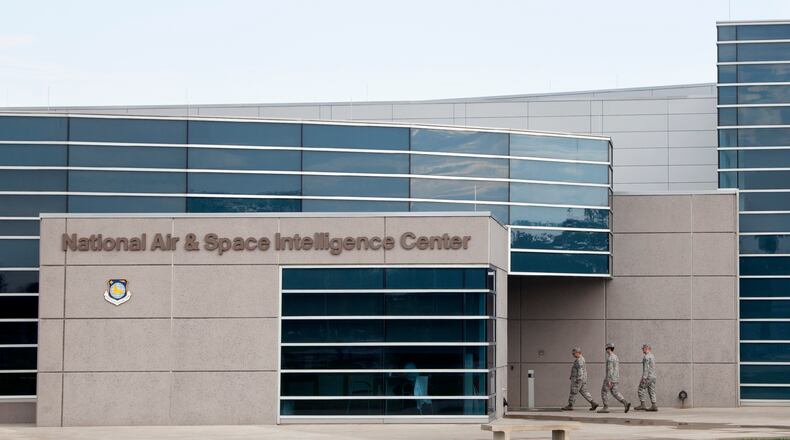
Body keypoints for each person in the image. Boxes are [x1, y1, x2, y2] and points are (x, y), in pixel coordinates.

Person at [561, 347, 599, 411]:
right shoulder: (581, 359)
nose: (573, 355)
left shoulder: (579, 360)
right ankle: (593, 403)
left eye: (574, 353)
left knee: (573, 392)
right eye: (572, 353)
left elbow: (580, 370)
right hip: (582, 379)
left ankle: (570, 405)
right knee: (584, 392)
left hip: (578, 379)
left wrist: (578, 379)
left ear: (578, 353)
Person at [598, 342, 631, 413]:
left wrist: (609, 380)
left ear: (609, 349)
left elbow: (610, 370)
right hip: (616, 378)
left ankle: (606, 407)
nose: (606, 350)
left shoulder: (610, 358)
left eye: (606, 348)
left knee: (604, 391)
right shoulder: (616, 357)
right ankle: (625, 403)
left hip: (610, 379)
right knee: (615, 392)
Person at [634, 344, 658, 411]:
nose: (642, 350)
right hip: (653, 376)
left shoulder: (646, 357)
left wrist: (644, 378)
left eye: (643, 348)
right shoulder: (652, 356)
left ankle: (643, 404)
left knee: (641, 389)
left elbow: (646, 368)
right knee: (652, 390)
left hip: (648, 377)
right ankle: (654, 405)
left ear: (646, 348)